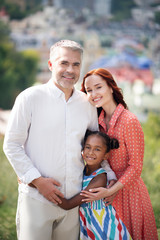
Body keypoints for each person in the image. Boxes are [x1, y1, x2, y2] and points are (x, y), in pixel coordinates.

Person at [3, 41, 116, 240]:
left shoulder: (87, 104)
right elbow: (11, 145)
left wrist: (110, 176)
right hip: (36, 199)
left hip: (73, 201)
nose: (70, 70)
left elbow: (97, 147)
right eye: (64, 63)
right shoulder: (29, 98)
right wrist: (38, 181)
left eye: (76, 64)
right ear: (50, 65)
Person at [80, 68, 158, 240]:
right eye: (89, 90)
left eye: (98, 87)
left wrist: (111, 191)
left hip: (129, 194)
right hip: (105, 193)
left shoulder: (129, 121)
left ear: (111, 87)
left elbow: (136, 167)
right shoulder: (96, 122)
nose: (93, 94)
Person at [58, 130, 132, 240]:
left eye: (97, 149)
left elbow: (68, 204)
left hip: (105, 228)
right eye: (88, 147)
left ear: (106, 155)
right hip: (90, 226)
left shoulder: (100, 179)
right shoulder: (82, 171)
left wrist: (39, 185)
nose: (91, 152)